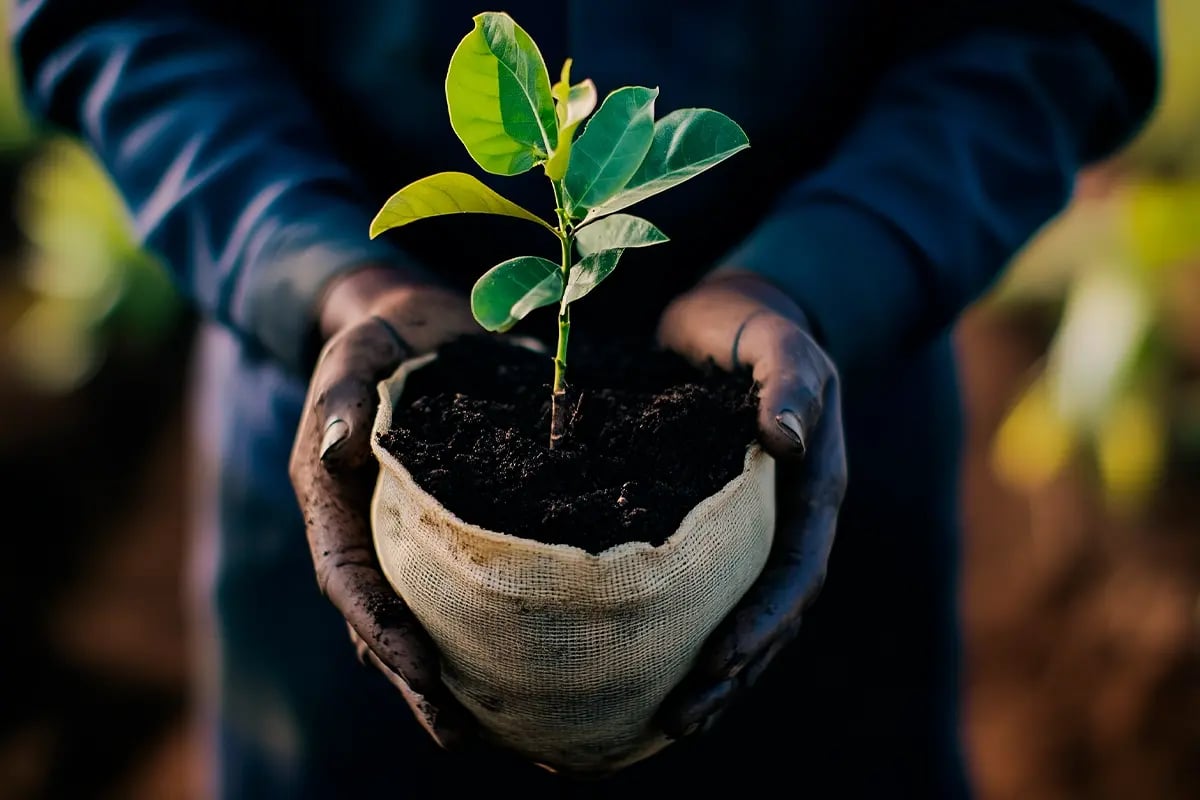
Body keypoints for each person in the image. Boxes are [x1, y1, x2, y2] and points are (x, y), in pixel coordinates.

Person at [13, 1, 1158, 797]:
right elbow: (116, 10)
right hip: (345, 414)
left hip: (804, 430)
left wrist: (829, 268)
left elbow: (1055, 19)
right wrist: (315, 266)